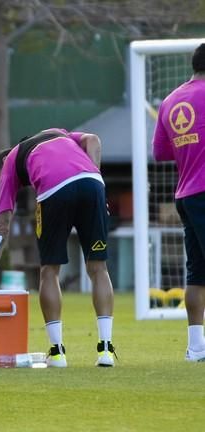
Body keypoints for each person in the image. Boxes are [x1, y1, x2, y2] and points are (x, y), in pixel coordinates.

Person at [0, 128, 115, 367]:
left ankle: (57, 353)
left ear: (3, 163)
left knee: (49, 270)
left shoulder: (9, 163)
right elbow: (93, 140)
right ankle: (106, 350)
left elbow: (2, 224)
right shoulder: (56, 132)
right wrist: (96, 182)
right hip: (92, 183)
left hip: (54, 190)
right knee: (99, 268)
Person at [152, 43, 205, 363]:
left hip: (185, 194)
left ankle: (196, 347)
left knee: (197, 274)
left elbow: (161, 153)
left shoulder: (170, 100)